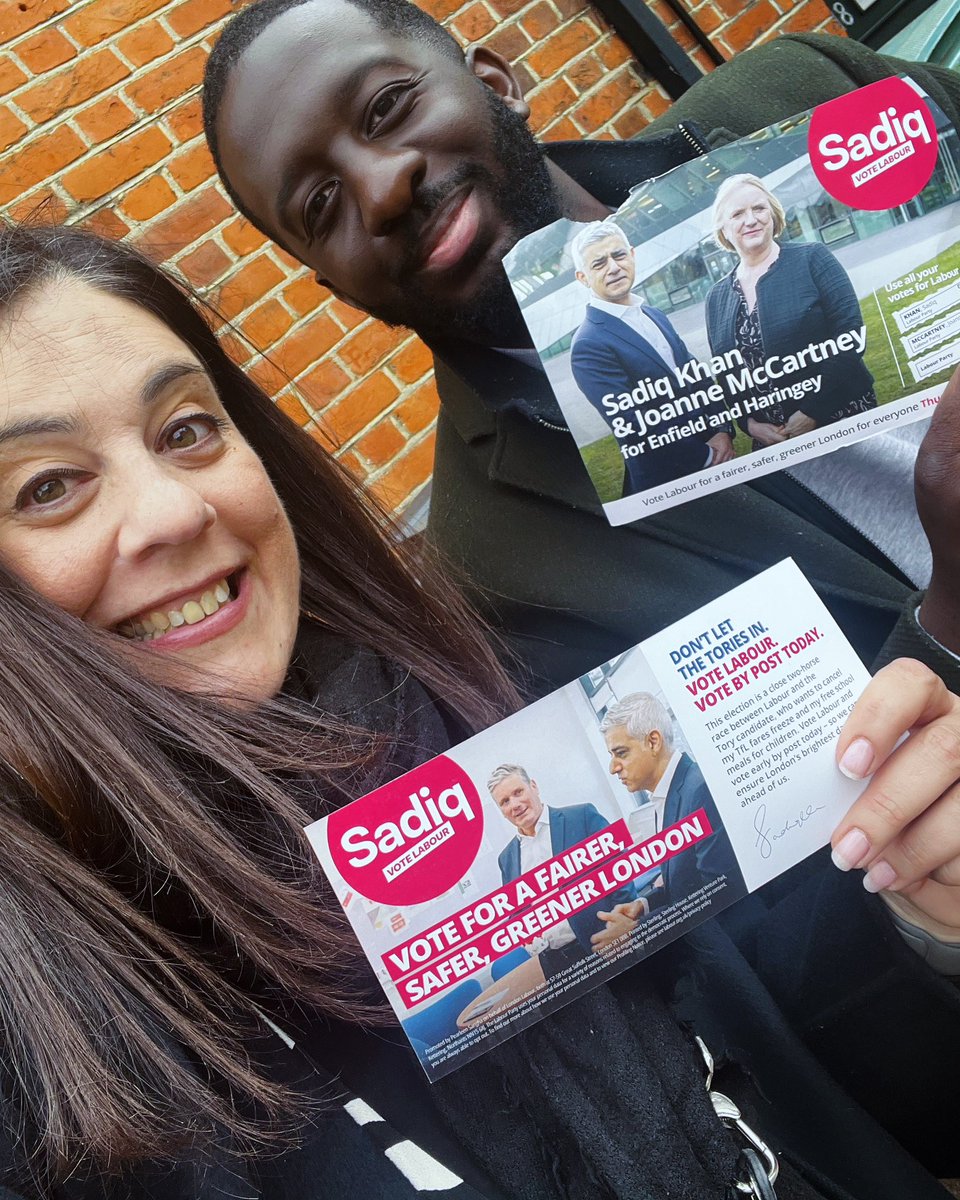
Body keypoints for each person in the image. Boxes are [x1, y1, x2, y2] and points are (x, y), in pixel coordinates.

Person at [2, 223, 960, 1200]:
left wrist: (928, 915)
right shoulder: (40, 1056)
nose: (173, 511)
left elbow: (830, 1074)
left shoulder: (474, 721)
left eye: (186, 429)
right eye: (47, 487)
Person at [202, 0, 960, 697]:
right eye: (321, 205)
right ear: (336, 287)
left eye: (387, 107)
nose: (383, 188)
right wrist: (947, 623)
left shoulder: (808, 90)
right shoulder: (492, 571)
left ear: (496, 82)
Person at [705, 173, 876, 451]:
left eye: (759, 208)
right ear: (723, 228)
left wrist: (812, 412)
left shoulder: (812, 258)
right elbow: (726, 374)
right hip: (771, 441)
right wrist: (749, 424)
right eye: (737, 214)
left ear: (772, 213)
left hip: (840, 417)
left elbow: (851, 335)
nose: (751, 220)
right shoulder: (716, 297)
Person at [569, 221, 733, 497]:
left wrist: (721, 429)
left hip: (713, 454)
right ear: (583, 278)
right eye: (598, 263)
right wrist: (706, 456)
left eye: (618, 255)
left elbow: (695, 374)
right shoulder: (588, 344)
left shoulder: (653, 313)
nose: (613, 267)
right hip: (669, 482)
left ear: (632, 255)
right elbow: (633, 424)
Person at [600, 692, 744, 910]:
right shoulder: (667, 795)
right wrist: (644, 905)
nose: (613, 768)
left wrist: (642, 929)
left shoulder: (698, 791)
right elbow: (685, 883)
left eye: (621, 753)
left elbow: (719, 891)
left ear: (653, 742)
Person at [489, 763, 633, 975]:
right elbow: (516, 914)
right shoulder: (507, 858)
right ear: (502, 811)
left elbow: (621, 872)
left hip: (605, 942)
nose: (515, 804)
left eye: (518, 792)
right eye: (505, 801)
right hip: (555, 966)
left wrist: (621, 927)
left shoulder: (582, 816)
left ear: (534, 786)